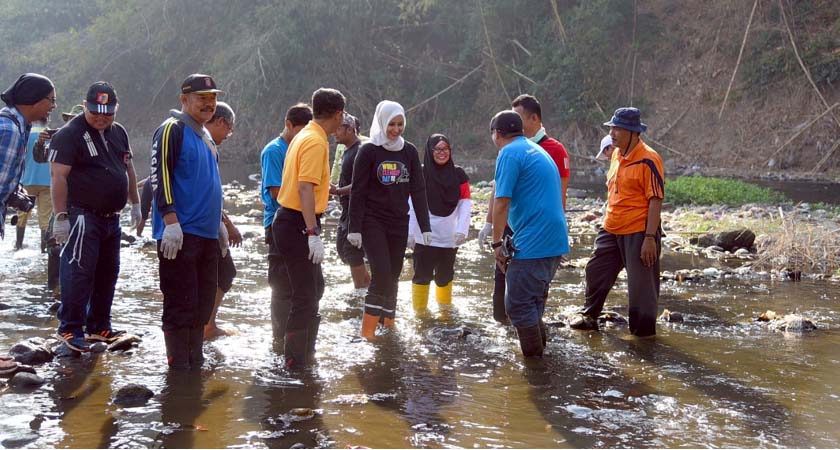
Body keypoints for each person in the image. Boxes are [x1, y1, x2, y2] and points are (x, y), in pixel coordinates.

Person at [49, 81, 142, 352]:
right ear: (85, 105)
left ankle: (100, 326)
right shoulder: (70, 134)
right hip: (81, 215)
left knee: (108, 272)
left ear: (116, 110)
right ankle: (70, 328)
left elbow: (128, 168)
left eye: (108, 112)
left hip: (111, 217)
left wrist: (135, 203)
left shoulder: (119, 132)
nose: (101, 116)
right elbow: (58, 176)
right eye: (95, 111)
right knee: (78, 270)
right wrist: (60, 216)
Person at [150, 74, 225, 369]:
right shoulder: (172, 129)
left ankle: (196, 360)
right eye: (201, 98)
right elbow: (160, 176)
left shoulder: (205, 136)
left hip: (206, 234)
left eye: (212, 99)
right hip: (180, 234)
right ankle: (178, 367)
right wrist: (170, 220)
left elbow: (211, 183)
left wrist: (218, 223)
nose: (208, 104)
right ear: (184, 100)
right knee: (180, 303)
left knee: (202, 304)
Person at [569, 107, 664, 338]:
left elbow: (655, 199)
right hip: (611, 227)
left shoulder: (649, 159)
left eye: (617, 128)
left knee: (641, 290)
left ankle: (644, 337)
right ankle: (590, 315)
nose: (612, 133)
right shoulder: (615, 154)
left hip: (639, 231)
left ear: (633, 132)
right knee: (595, 270)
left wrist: (650, 238)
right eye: (611, 127)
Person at [478, 94, 571, 325]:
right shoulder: (536, 149)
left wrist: (496, 242)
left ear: (496, 134)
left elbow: (502, 200)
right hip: (554, 238)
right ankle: (539, 354)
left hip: (534, 239)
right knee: (533, 301)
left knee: (517, 304)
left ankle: (533, 359)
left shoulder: (509, 152)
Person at [271, 88, 344, 369]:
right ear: (338, 114)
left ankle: (303, 353)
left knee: (314, 287)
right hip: (297, 222)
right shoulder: (315, 141)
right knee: (305, 294)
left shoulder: (305, 134)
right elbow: (304, 187)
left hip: (290, 219)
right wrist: (313, 233)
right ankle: (295, 362)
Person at [347, 100, 431, 340]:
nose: (395, 129)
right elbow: (358, 191)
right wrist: (354, 228)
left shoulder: (410, 151)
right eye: (391, 124)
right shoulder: (369, 151)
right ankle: (367, 333)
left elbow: (418, 190)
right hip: (373, 221)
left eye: (400, 124)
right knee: (381, 274)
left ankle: (388, 324)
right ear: (382, 122)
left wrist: (424, 226)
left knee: (393, 275)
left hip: (398, 221)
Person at [260, 102, 313, 345]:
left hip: (299, 221)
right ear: (288, 125)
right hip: (278, 222)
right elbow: (275, 191)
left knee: (300, 282)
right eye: (299, 130)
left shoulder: (301, 148)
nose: (302, 136)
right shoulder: (275, 151)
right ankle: (278, 339)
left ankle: (296, 336)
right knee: (281, 284)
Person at [408, 133, 471, 312]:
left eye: (446, 149)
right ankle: (420, 315)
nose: (442, 153)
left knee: (445, 276)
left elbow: (465, 204)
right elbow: (412, 204)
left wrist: (462, 230)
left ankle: (445, 314)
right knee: (421, 276)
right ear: (429, 150)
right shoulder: (419, 173)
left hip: (449, 236)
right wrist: (410, 232)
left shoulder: (459, 174)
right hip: (424, 236)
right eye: (437, 149)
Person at [200, 101, 243, 339]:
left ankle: (205, 324)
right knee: (225, 272)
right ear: (221, 122)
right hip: (200, 225)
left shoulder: (206, 145)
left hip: (206, 223)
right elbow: (205, 192)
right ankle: (207, 325)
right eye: (229, 129)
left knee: (222, 273)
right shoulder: (202, 144)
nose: (228, 135)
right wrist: (228, 225)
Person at [1, 73, 55, 242]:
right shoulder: (11, 131)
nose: (54, 106)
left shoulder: (16, 125)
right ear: (35, 99)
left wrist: (14, 193)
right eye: (51, 100)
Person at [329, 112, 370, 289]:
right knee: (346, 250)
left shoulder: (360, 151)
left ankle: (362, 293)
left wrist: (337, 191)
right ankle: (366, 287)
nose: (334, 132)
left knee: (351, 251)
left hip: (358, 211)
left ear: (350, 129)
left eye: (338, 129)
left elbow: (363, 184)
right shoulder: (347, 150)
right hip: (347, 209)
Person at [14, 122, 52, 251]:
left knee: (22, 215)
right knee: (45, 218)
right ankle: (44, 249)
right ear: (47, 121)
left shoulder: (26, 134)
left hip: (28, 180)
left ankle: (18, 245)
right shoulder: (52, 134)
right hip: (48, 182)